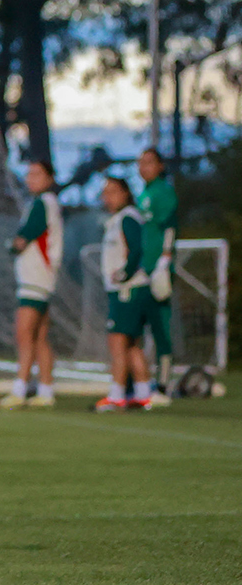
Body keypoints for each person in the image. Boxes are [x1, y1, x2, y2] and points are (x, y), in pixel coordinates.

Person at [96, 176, 161, 412]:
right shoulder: (116, 219)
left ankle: (116, 395)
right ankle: (143, 394)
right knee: (132, 344)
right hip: (128, 290)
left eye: (113, 191)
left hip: (128, 290)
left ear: (126, 193)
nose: (108, 196)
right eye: (105, 192)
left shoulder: (128, 217)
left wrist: (124, 274)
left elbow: (137, 249)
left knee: (117, 341)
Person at [5, 159, 63, 410]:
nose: (30, 179)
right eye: (29, 174)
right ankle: (46, 389)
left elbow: (23, 239)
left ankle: (20, 388)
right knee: (40, 336)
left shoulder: (41, 204)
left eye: (37, 174)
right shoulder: (48, 204)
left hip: (35, 278)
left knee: (24, 333)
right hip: (44, 278)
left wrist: (10, 245)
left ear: (49, 178)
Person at [135, 148, 178, 406]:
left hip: (158, 269)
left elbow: (170, 225)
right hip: (142, 270)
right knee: (136, 327)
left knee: (161, 327)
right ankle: (139, 383)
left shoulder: (163, 191)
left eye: (149, 163)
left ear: (160, 165)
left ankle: (163, 386)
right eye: (141, 163)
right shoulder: (143, 194)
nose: (144, 168)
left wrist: (165, 258)